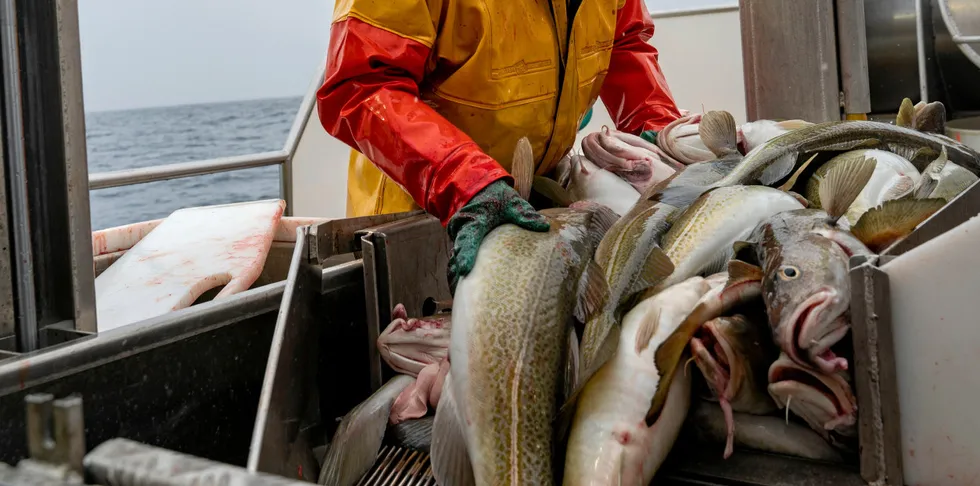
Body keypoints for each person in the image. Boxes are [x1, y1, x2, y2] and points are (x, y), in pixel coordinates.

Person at [317, 0, 681, 292]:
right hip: (421, 217)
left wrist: (658, 130)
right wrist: (464, 181)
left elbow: (624, 41)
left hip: (540, 202)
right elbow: (360, 86)